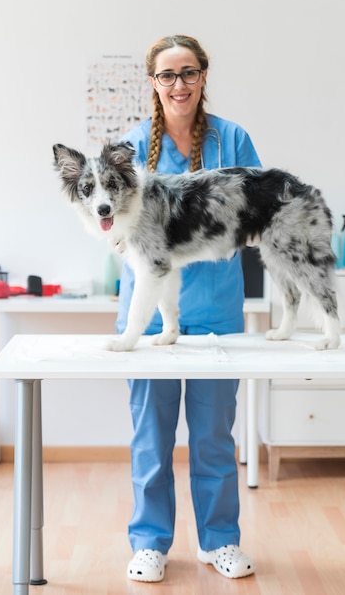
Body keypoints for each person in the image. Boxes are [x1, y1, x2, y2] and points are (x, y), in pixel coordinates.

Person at [116, 34, 261, 583]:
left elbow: (258, 207)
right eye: (167, 75)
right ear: (153, 82)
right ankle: (150, 542)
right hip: (148, 312)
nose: (178, 85)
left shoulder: (233, 140)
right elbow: (107, 215)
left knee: (213, 436)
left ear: (203, 76)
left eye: (188, 73)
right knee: (151, 436)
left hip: (218, 309)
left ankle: (219, 540)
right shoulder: (129, 147)